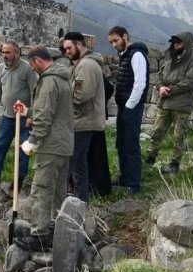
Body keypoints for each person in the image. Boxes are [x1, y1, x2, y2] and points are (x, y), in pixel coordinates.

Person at [15, 46, 73, 252]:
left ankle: (39, 235)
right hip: (64, 144)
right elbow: (50, 110)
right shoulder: (63, 78)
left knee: (41, 189)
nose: (32, 69)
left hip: (50, 145)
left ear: (38, 60)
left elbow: (45, 115)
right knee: (58, 190)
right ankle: (58, 229)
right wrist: (28, 110)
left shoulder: (48, 81)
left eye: (32, 65)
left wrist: (32, 139)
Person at [0, 42, 37, 189]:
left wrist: (32, 116)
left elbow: (35, 93)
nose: (4, 55)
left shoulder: (27, 69)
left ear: (16, 53)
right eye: (3, 52)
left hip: (24, 118)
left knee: (23, 149)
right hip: (7, 117)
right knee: (0, 145)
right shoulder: (0, 68)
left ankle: (19, 179)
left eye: (8, 52)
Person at [147, 31, 193, 174]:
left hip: (182, 105)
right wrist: (160, 87)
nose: (176, 44)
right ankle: (151, 157)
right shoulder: (170, 59)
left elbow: (189, 83)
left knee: (179, 136)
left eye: (179, 42)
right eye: (174, 42)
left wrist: (168, 90)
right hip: (165, 103)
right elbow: (159, 76)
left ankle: (174, 164)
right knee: (157, 131)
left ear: (187, 43)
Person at [62, 32, 105, 202]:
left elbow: (81, 95)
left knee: (71, 162)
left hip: (82, 121)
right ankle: (80, 198)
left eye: (69, 48)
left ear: (79, 44)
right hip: (84, 120)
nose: (67, 52)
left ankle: (70, 199)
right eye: (65, 49)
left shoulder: (86, 65)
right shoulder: (82, 63)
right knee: (79, 164)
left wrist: (63, 99)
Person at [107, 26, 149, 194]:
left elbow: (140, 84)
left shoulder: (137, 55)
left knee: (131, 145)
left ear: (125, 36)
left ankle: (133, 184)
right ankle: (124, 178)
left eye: (115, 40)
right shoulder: (125, 55)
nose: (113, 45)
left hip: (132, 106)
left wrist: (130, 106)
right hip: (124, 106)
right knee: (122, 143)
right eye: (111, 42)